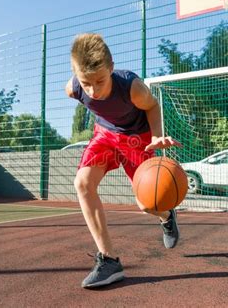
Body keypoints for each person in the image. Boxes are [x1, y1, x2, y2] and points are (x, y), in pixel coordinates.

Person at [65, 33, 183, 288]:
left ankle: (166, 216)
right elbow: (89, 97)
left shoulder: (132, 87)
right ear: (76, 75)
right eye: (87, 83)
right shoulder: (73, 88)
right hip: (106, 135)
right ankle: (108, 260)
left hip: (137, 138)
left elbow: (153, 107)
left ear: (111, 67)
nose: (94, 90)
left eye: (100, 81)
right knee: (83, 184)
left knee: (147, 203)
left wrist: (157, 136)